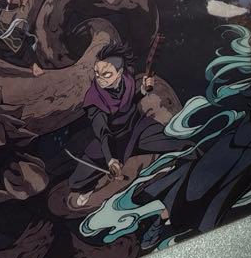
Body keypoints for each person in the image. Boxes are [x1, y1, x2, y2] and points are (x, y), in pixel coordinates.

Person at [68, 41, 179, 207]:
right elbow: (103, 132)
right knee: (77, 182)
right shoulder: (94, 99)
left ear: (119, 73)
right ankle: (89, 189)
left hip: (136, 128)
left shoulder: (127, 79)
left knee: (174, 143)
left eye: (106, 74)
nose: (99, 78)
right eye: (97, 73)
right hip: (111, 141)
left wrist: (143, 90)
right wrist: (110, 159)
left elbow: (129, 103)